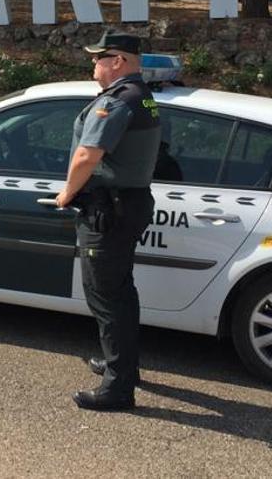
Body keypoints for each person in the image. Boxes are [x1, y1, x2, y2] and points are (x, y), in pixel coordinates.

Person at [54, 29, 161, 411]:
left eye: (99, 57)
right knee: (120, 291)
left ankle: (118, 388)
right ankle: (122, 365)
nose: (93, 63)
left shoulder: (117, 101)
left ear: (118, 61)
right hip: (126, 205)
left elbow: (87, 156)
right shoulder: (141, 96)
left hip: (108, 210)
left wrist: (67, 194)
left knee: (106, 295)